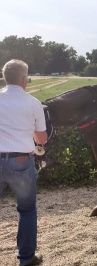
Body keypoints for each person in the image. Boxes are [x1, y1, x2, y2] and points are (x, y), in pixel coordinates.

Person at [0, 59, 47, 265]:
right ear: (23, 79)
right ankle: (26, 258)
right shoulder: (33, 103)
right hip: (21, 161)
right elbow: (41, 139)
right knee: (27, 210)